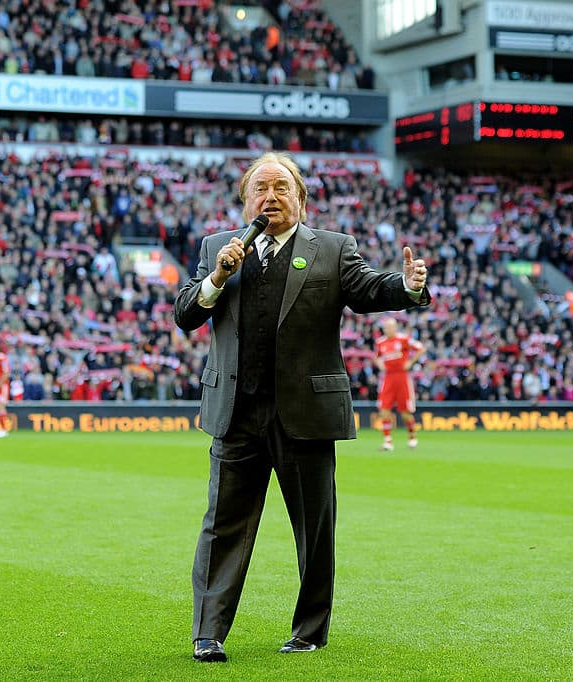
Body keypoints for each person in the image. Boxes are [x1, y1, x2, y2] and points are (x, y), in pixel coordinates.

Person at [173, 152, 431, 663]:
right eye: (260, 189)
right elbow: (186, 314)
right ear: (245, 200)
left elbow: (367, 289)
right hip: (237, 414)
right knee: (222, 525)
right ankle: (208, 634)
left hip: (306, 414)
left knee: (315, 528)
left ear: (301, 199)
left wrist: (407, 286)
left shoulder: (333, 250)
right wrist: (218, 277)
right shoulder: (216, 249)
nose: (270, 197)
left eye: (281, 188)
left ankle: (310, 630)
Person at [374, 317, 425, 451]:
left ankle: (412, 437)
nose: (388, 329)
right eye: (386, 327)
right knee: (384, 410)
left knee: (405, 413)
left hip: (402, 378)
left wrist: (410, 362)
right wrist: (380, 365)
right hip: (388, 378)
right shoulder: (380, 342)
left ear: (395, 328)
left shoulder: (404, 339)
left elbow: (420, 348)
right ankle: (388, 442)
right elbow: (377, 357)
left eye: (390, 327)